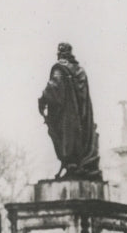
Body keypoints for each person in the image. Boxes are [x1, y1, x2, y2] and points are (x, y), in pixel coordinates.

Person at [38, 42, 102, 180]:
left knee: (63, 138)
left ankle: (71, 164)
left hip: (67, 118)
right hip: (82, 120)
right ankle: (78, 165)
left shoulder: (60, 68)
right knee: (78, 139)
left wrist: (42, 100)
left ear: (60, 54)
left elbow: (53, 87)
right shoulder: (80, 71)